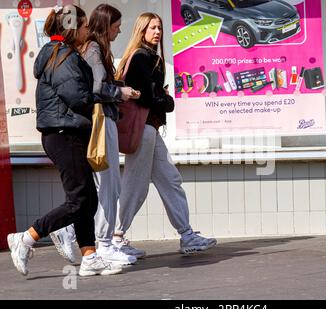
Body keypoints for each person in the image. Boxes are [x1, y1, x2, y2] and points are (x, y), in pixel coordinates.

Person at [7, 5, 121, 277]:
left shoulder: (60, 54)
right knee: (80, 200)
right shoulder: (64, 57)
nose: (86, 30)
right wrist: (106, 96)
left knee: (87, 198)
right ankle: (26, 238)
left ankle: (90, 256)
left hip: (66, 133)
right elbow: (78, 97)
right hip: (63, 134)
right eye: (82, 26)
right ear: (72, 28)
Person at [113, 12, 217, 255]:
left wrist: (161, 98)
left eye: (159, 27)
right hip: (143, 129)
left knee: (171, 180)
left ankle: (187, 235)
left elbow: (151, 94)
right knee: (135, 186)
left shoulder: (151, 58)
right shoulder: (141, 57)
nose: (157, 32)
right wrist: (167, 100)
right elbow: (148, 97)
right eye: (152, 28)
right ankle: (115, 237)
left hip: (150, 130)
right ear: (141, 31)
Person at [49, 4, 140, 266]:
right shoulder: (94, 49)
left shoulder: (93, 49)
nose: (119, 30)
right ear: (105, 24)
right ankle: (102, 243)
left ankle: (100, 240)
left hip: (101, 120)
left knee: (107, 185)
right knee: (108, 184)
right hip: (101, 121)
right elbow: (97, 88)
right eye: (116, 25)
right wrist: (120, 93)